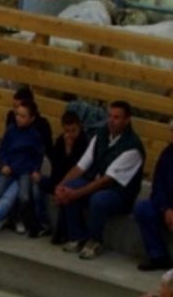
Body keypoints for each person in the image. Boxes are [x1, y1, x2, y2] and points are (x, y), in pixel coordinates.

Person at [57, 100, 145, 261]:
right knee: (70, 186)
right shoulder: (101, 135)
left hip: (120, 194)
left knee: (98, 199)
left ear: (127, 120)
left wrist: (75, 194)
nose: (111, 120)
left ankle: (95, 240)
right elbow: (81, 166)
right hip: (99, 184)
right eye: (109, 116)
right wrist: (61, 185)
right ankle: (77, 236)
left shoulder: (132, 147)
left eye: (116, 117)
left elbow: (107, 180)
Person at [0, 100, 45, 235]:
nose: (19, 118)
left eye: (23, 116)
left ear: (32, 119)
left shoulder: (35, 136)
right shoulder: (11, 130)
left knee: (23, 197)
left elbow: (38, 155)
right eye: (17, 114)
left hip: (24, 171)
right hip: (9, 169)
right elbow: (3, 150)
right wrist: (5, 163)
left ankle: (18, 219)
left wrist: (35, 169)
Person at [39, 110, 89, 245]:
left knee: (66, 194)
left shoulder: (84, 143)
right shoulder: (61, 140)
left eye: (74, 130)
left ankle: (62, 233)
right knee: (36, 183)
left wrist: (70, 150)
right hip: (57, 179)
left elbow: (78, 168)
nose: (70, 134)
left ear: (79, 128)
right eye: (67, 131)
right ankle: (42, 223)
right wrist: (66, 148)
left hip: (74, 182)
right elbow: (56, 164)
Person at [132, 120, 173, 272]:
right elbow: (159, 184)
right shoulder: (168, 153)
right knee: (143, 208)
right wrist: (166, 208)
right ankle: (158, 256)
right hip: (166, 207)